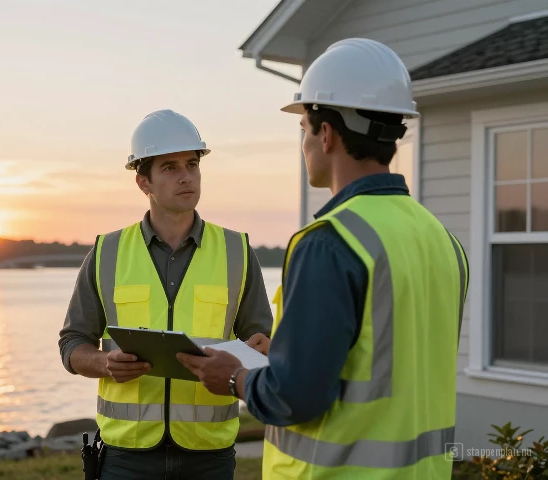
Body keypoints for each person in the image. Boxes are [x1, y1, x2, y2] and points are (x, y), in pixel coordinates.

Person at [178, 38, 469, 479]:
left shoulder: (330, 242)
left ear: (326, 134)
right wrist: (290, 353)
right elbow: (386, 359)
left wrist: (235, 378)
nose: (304, 144)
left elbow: (296, 397)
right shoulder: (443, 240)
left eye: (304, 131)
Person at [58, 109, 273, 480]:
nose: (187, 176)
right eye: (171, 167)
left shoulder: (237, 251)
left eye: (192, 164)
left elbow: (266, 343)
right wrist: (104, 364)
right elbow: (72, 344)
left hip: (209, 455)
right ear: (144, 182)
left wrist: (261, 350)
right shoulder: (107, 252)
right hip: (127, 457)